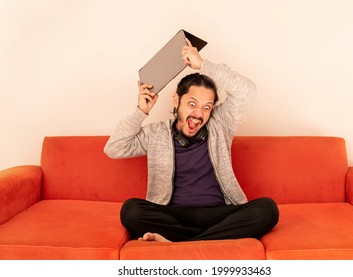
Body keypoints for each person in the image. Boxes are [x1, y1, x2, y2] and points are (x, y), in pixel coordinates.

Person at [104, 39, 279, 242]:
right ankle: (212, 239)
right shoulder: (156, 134)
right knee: (131, 210)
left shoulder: (220, 124)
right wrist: (140, 112)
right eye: (192, 104)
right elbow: (114, 148)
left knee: (267, 209)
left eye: (206, 107)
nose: (199, 113)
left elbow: (247, 92)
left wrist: (203, 65)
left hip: (220, 213)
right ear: (177, 101)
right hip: (173, 215)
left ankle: (180, 241)